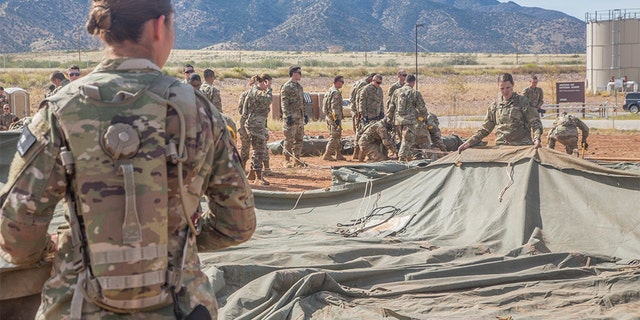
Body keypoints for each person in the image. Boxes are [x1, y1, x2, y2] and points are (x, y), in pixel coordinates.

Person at [0, 1, 255, 319]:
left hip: (78, 307)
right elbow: (238, 225)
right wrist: (176, 238)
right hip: (179, 305)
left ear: (105, 31)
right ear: (159, 27)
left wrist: (57, 247)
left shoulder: (58, 110)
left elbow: (17, 236)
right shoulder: (199, 111)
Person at [458, 73, 543, 152]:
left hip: (522, 147)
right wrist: (469, 142)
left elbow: (535, 122)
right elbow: (485, 129)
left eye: (508, 87)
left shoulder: (524, 102)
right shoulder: (495, 106)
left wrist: (537, 139)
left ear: (513, 85)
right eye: (502, 88)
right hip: (501, 148)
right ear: (498, 87)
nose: (505, 91)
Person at [386, 74, 428, 162]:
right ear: (413, 82)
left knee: (404, 142)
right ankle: (401, 161)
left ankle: (408, 160)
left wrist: (389, 120)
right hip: (409, 122)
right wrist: (424, 118)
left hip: (398, 122)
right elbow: (422, 108)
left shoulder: (396, 92)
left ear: (405, 81)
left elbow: (391, 107)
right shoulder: (415, 93)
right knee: (407, 142)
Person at [243, 74, 273, 185]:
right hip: (255, 125)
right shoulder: (258, 92)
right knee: (259, 151)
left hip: (254, 124)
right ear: (264, 82)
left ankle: (252, 173)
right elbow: (268, 100)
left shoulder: (252, 91)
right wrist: (269, 89)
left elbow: (244, 110)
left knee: (257, 149)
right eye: (269, 82)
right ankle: (259, 177)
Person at [280, 65, 306, 168]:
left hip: (299, 117)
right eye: (298, 72)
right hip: (291, 118)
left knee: (299, 139)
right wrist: (287, 116)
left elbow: (302, 102)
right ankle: (286, 160)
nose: (300, 75)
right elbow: (284, 103)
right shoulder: (287, 87)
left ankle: (297, 159)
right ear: (293, 73)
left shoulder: (299, 87)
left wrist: (305, 114)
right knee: (289, 140)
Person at [349, 73, 375, 160]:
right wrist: (360, 112)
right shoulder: (364, 85)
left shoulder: (359, 82)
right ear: (371, 78)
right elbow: (359, 99)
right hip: (358, 111)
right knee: (360, 131)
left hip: (355, 110)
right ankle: (357, 153)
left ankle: (357, 153)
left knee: (358, 130)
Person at [322, 75, 347, 161]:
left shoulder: (329, 91)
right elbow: (334, 107)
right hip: (334, 118)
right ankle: (328, 154)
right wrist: (336, 118)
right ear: (337, 82)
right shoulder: (335, 92)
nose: (342, 84)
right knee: (335, 135)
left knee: (338, 135)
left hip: (329, 117)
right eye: (342, 82)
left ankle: (338, 154)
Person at [237, 75, 259, 170]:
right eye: (255, 82)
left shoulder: (261, 95)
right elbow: (240, 110)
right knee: (245, 146)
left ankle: (256, 169)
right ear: (251, 84)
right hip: (245, 123)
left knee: (258, 147)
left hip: (257, 124)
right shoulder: (245, 95)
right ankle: (242, 168)